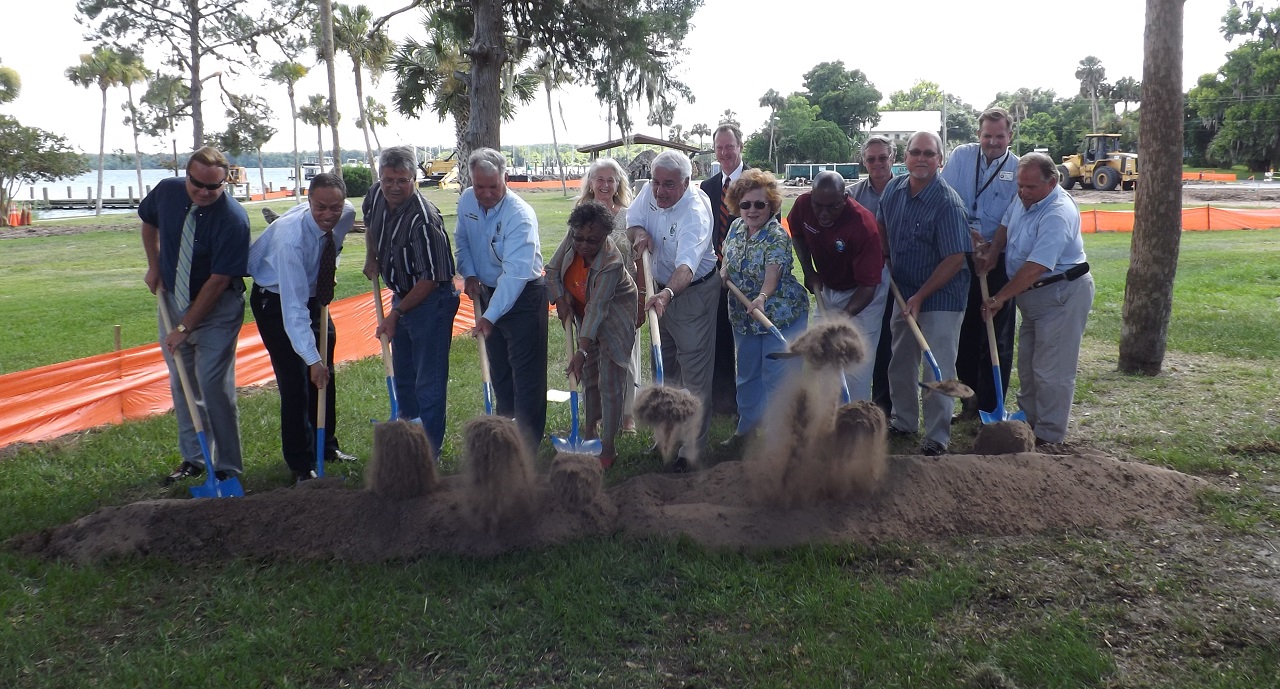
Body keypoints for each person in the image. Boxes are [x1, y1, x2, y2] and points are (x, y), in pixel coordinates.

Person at [139, 146, 248, 484]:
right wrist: (154, 266)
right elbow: (148, 222)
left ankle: (228, 465)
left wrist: (185, 327)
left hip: (217, 308)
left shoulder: (233, 219)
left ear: (225, 182)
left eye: (212, 187)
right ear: (187, 175)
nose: (203, 192)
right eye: (196, 183)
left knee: (213, 383)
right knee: (182, 381)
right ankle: (193, 460)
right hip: (172, 297)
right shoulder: (168, 191)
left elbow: (218, 282)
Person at [979, 153, 1094, 445]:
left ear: (1052, 182)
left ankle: (1049, 436)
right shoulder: (1024, 198)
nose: (1022, 192)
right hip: (1033, 299)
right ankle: (1028, 423)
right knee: (1029, 366)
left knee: (1051, 370)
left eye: (1030, 187)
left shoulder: (1057, 213)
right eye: (1020, 186)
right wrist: (993, 254)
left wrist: (1000, 297)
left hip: (1061, 295)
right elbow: (1005, 224)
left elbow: (1037, 266)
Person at [248, 173, 357, 481]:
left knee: (325, 372)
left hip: (312, 295)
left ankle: (325, 446)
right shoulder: (290, 240)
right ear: (309, 202)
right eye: (320, 207)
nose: (328, 215)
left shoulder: (346, 213)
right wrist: (311, 358)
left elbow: (330, 248)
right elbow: (293, 309)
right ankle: (300, 463)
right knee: (297, 379)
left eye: (333, 207)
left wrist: (328, 270)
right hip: (276, 298)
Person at [362, 146, 460, 458]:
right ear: (380, 177)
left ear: (414, 179)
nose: (393, 187)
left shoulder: (424, 220)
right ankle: (407, 445)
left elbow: (431, 279)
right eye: (388, 179)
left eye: (402, 181)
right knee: (403, 376)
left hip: (432, 301)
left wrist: (396, 314)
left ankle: (429, 451)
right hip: (402, 294)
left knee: (427, 381)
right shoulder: (375, 195)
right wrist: (371, 256)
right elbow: (370, 225)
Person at [877, 131, 970, 456]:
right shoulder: (894, 190)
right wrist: (886, 257)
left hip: (941, 298)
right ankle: (904, 421)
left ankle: (937, 437)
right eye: (915, 152)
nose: (921, 158)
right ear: (905, 158)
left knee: (937, 369)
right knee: (900, 362)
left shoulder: (947, 203)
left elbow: (955, 258)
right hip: (904, 292)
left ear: (940, 160)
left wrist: (921, 297)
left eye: (928, 154)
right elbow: (882, 225)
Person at [627, 150, 720, 471]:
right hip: (659, 289)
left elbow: (687, 267)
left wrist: (667, 293)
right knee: (664, 367)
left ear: (686, 182)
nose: (659, 191)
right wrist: (639, 234)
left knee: (693, 373)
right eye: (656, 183)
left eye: (669, 185)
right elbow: (633, 220)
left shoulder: (695, 212)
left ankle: (690, 451)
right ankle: (665, 439)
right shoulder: (648, 191)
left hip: (691, 293)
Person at [455, 147, 547, 453]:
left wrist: (489, 317)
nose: (485, 193)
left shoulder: (519, 215)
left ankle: (527, 446)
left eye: (492, 186)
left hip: (524, 295)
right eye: (479, 186)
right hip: (488, 291)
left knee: (526, 374)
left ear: (505, 178)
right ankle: (504, 434)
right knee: (499, 370)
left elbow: (515, 276)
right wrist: (468, 275)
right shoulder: (467, 199)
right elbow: (463, 240)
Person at [940, 107, 1020, 420]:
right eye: (987, 135)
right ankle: (969, 401)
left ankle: (991, 405)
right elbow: (946, 198)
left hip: (998, 261)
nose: (993, 142)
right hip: (961, 256)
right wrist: (966, 233)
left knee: (996, 333)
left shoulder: (1017, 167)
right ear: (979, 135)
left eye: (999, 136)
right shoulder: (961, 157)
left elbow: (1013, 215)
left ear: (1009, 136)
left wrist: (991, 248)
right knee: (966, 332)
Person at [546, 202, 639, 466]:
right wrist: (560, 300)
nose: (584, 245)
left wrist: (581, 350)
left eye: (592, 240)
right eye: (579, 238)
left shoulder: (610, 262)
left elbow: (598, 309)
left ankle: (607, 448)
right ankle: (588, 432)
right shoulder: (572, 238)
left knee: (610, 383)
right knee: (588, 378)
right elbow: (552, 271)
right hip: (583, 312)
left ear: (605, 237)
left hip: (614, 319)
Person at [721, 169, 808, 439]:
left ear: (770, 205)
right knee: (747, 374)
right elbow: (727, 254)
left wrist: (762, 297)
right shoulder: (736, 227)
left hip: (779, 315)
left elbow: (774, 272)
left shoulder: (776, 235)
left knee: (777, 376)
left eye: (760, 204)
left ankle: (780, 435)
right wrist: (724, 270)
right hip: (744, 316)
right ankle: (747, 429)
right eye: (745, 204)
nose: (752, 210)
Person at [790, 170, 885, 400]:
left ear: (845, 198)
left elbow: (868, 288)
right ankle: (826, 420)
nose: (823, 213)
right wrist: (809, 270)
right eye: (818, 205)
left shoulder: (863, 226)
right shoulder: (803, 205)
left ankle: (854, 422)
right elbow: (798, 235)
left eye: (832, 206)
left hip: (862, 293)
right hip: (828, 287)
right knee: (821, 356)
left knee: (854, 362)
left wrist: (843, 317)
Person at [576, 157, 642, 434]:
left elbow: (639, 258)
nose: (604, 184)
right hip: (589, 297)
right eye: (599, 179)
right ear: (591, 183)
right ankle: (597, 414)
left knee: (624, 358)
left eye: (610, 180)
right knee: (592, 359)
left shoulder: (630, 215)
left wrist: (641, 299)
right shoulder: (580, 213)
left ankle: (627, 415)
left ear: (618, 184)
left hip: (623, 298)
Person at [848, 135, 898, 414]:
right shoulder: (853, 194)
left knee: (891, 343)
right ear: (864, 161)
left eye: (882, 157)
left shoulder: (904, 188)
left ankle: (884, 405)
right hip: (866, 280)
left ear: (893, 158)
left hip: (899, 275)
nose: (877, 163)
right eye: (871, 159)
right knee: (867, 339)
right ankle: (856, 403)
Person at [698, 124, 744, 417]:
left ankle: (751, 399)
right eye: (720, 148)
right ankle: (725, 400)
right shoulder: (708, 187)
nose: (725, 153)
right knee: (719, 336)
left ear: (741, 146)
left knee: (748, 340)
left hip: (748, 276)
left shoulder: (758, 181)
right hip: (714, 275)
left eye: (730, 146)